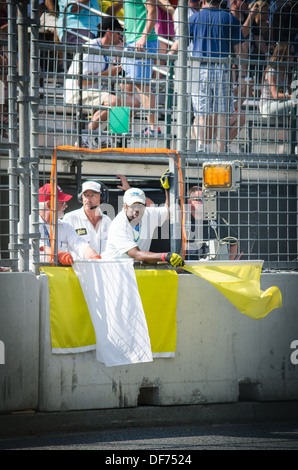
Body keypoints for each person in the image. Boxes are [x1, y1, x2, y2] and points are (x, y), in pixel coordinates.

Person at [171, 0, 245, 153]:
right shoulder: (229, 18)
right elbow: (239, 50)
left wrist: (167, 55)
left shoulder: (194, 18)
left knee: (201, 112)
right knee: (223, 112)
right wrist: (242, 74)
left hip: (199, 69)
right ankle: (223, 149)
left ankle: (202, 147)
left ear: (203, 1)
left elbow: (180, 44)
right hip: (222, 68)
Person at [64, 16, 139, 149]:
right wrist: (109, 72)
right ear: (109, 32)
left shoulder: (110, 50)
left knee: (133, 103)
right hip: (78, 93)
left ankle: (106, 137)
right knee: (114, 101)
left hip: (97, 94)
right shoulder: (90, 47)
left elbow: (117, 81)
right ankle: (84, 139)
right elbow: (80, 82)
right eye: (118, 33)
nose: (120, 37)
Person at [103, 172, 184, 266]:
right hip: (113, 270)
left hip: (133, 270)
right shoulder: (119, 224)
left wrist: (168, 189)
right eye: (133, 205)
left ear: (145, 205)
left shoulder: (148, 213)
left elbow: (169, 211)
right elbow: (136, 254)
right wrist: (166, 256)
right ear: (125, 206)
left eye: (140, 205)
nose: (136, 209)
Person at [33, 183, 101, 269]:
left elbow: (79, 244)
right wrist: (58, 255)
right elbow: (40, 247)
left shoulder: (64, 226)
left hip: (56, 276)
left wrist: (93, 257)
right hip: (33, 279)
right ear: (49, 205)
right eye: (63, 202)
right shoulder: (30, 225)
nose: (66, 206)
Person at [121, 0, 162, 137]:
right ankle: (123, 126)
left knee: (142, 85)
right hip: (130, 41)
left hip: (142, 42)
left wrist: (143, 37)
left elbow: (152, 10)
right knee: (124, 83)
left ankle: (153, 127)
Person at [186, 186, 238, 260]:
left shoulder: (215, 219)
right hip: (189, 267)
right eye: (200, 200)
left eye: (206, 199)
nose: (203, 203)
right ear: (190, 202)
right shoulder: (182, 220)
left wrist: (228, 262)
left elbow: (234, 241)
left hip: (213, 267)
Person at [63, 180, 112, 259]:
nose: (88, 199)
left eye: (92, 195)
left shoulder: (107, 221)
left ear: (101, 197)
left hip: (103, 268)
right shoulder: (70, 218)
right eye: (85, 195)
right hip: (78, 269)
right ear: (81, 197)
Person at [259, 42, 296, 118]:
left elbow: (291, 92)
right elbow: (275, 95)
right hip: (267, 107)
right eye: (291, 54)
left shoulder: (288, 72)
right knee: (295, 103)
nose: (293, 57)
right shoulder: (272, 71)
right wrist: (292, 96)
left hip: (279, 104)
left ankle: (292, 128)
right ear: (284, 55)